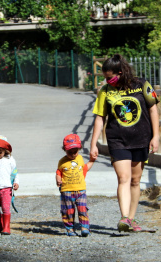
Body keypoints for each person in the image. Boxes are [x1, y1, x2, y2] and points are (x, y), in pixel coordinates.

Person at [90, 54, 159, 232]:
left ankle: (132, 219)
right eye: (105, 77)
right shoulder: (105, 91)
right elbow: (99, 118)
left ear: (121, 72)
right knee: (123, 178)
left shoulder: (143, 85)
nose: (106, 80)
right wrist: (93, 144)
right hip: (117, 140)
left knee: (135, 181)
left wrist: (156, 136)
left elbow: (153, 110)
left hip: (141, 138)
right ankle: (124, 218)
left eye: (109, 76)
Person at [56, 133, 95, 237]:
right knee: (68, 211)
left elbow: (85, 168)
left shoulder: (80, 159)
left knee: (82, 209)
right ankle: (70, 229)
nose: (73, 154)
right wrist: (58, 179)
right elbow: (59, 171)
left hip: (80, 190)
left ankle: (84, 227)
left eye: (75, 151)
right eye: (70, 152)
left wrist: (92, 160)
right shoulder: (62, 161)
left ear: (79, 149)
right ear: (65, 150)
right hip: (67, 190)